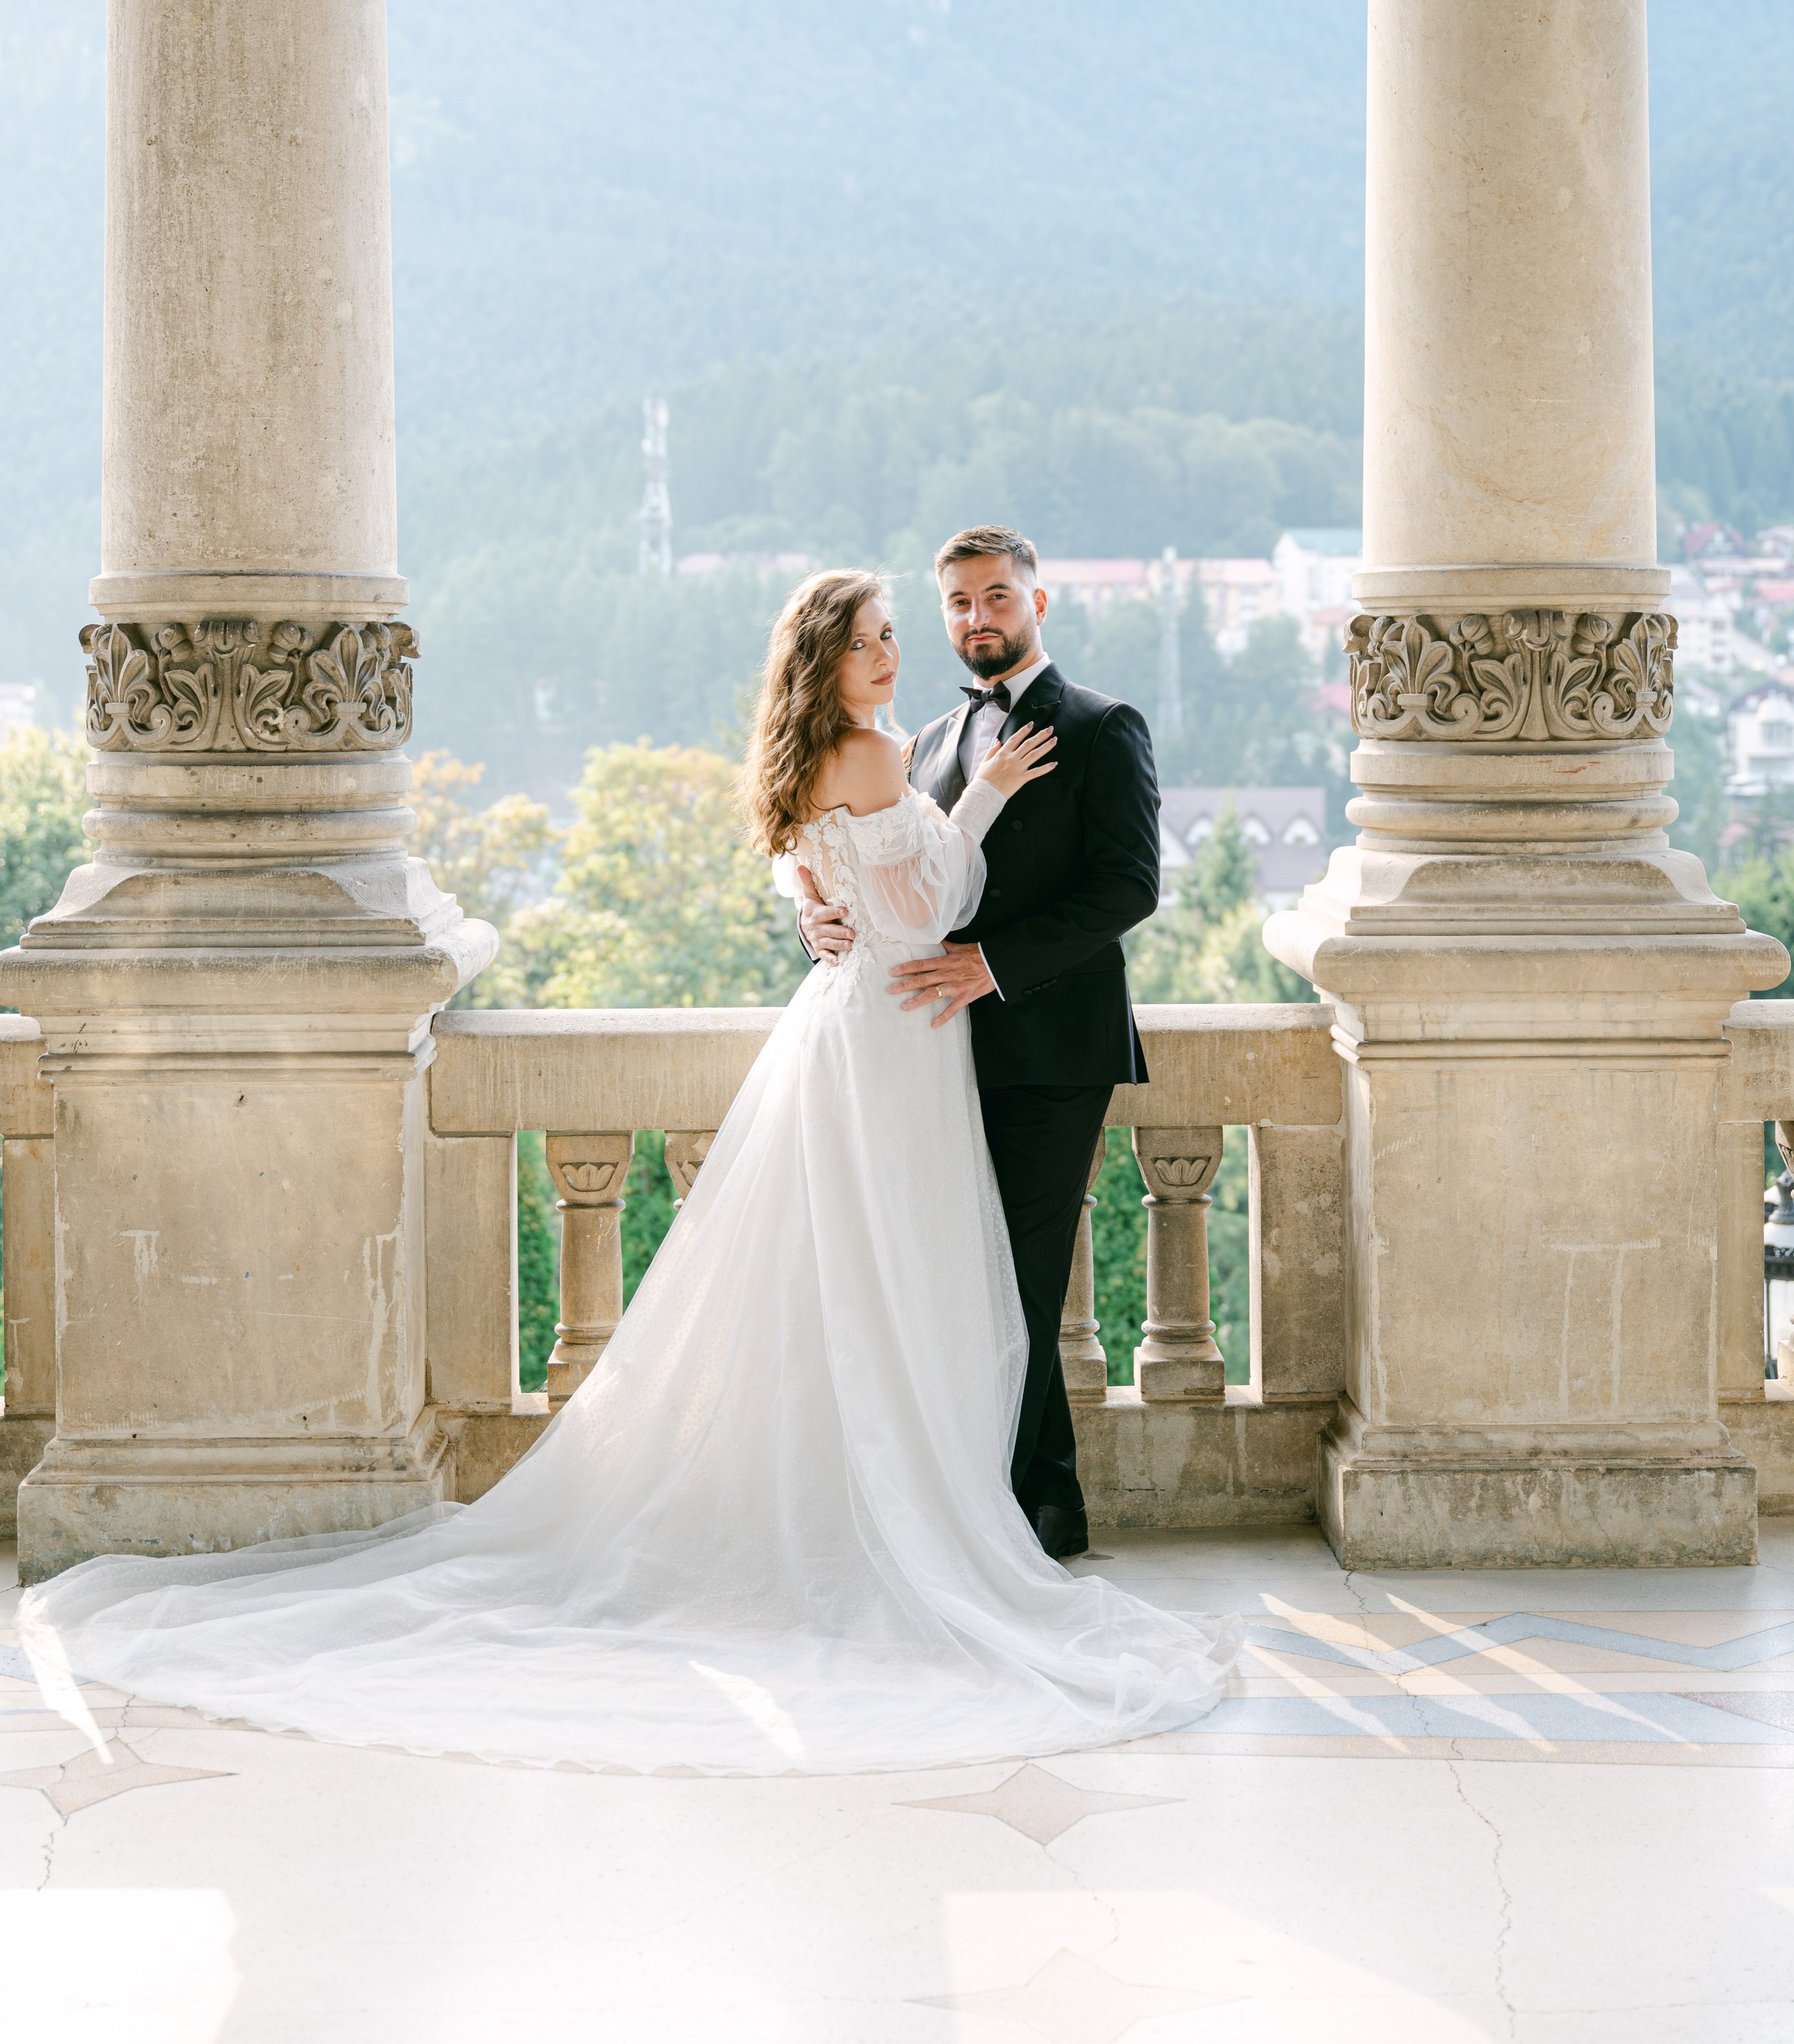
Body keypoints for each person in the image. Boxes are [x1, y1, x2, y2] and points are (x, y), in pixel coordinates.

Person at [19, 569, 1231, 1777]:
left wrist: (823, 892)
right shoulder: (888, 748)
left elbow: (916, 868)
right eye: (879, 636)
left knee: (898, 1284)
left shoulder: (922, 738)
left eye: (907, 631)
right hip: (897, 1037)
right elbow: (926, 895)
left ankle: (950, 1510)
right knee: (900, 1284)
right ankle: (921, 1523)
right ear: (830, 657)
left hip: (896, 1034)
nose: (902, 651)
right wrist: (954, 825)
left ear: (1032, 604)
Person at [791, 526, 1158, 1560]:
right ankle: (990, 1503)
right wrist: (811, 916)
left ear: (1039, 601)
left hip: (1049, 1051)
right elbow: (869, 864)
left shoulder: (1101, 725)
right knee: (951, 1281)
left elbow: (1131, 886)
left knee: (1021, 1291)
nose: (975, 618)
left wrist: (994, 964)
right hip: (928, 1055)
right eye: (957, 602)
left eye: (996, 596)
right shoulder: (926, 741)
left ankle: (1029, 1513)